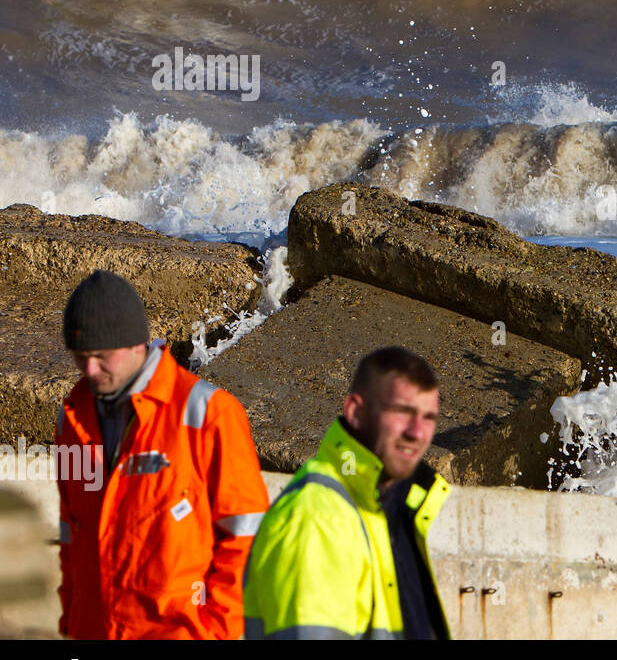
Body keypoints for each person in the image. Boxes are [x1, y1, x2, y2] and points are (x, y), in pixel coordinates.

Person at [55, 269, 269, 639]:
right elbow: (71, 534)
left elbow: (248, 541)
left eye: (101, 357)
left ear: (136, 344)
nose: (89, 370)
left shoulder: (207, 414)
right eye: (80, 357)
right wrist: (73, 622)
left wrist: (218, 634)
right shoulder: (72, 418)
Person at [243, 346, 453, 639]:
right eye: (402, 412)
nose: (417, 432)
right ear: (355, 411)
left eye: (429, 417)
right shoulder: (317, 518)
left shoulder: (391, 511)